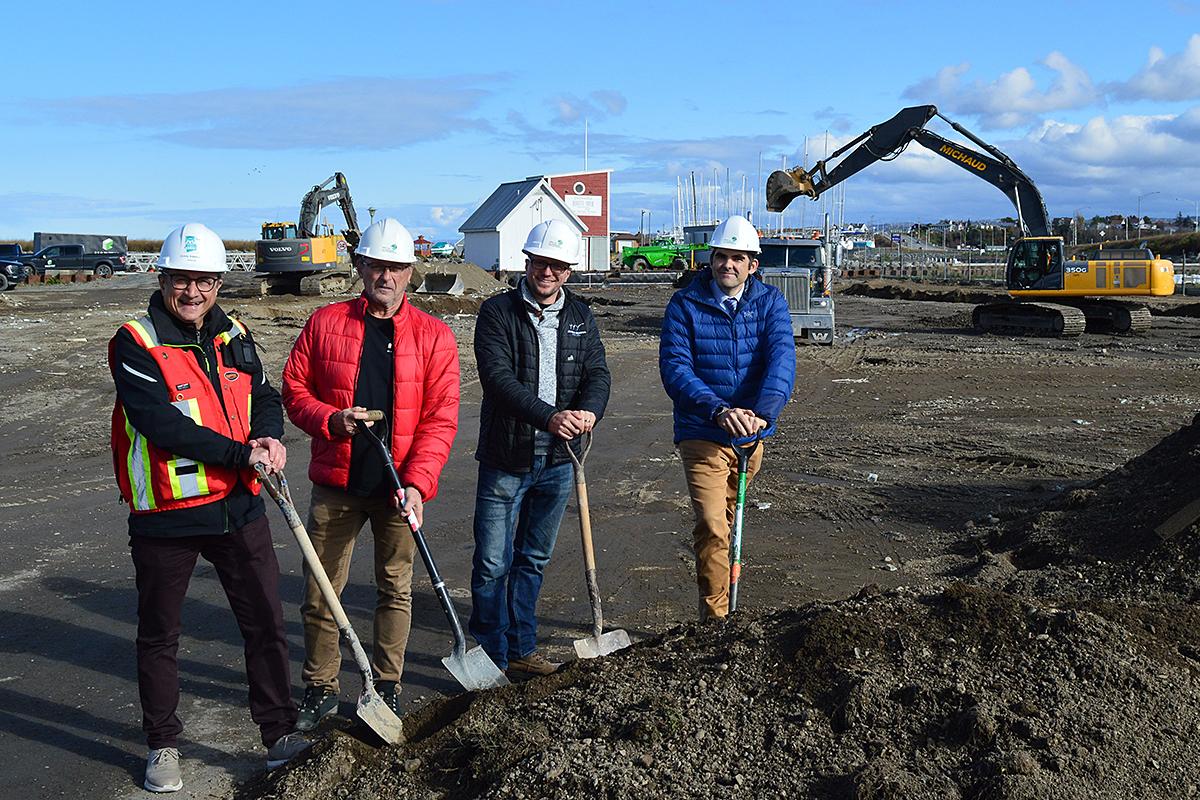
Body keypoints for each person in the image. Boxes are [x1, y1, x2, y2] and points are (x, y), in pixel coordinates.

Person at [108, 223, 308, 793]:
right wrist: (242, 454)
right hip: (166, 517)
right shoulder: (135, 341)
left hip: (238, 511)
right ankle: (163, 745)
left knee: (267, 622)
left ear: (219, 281)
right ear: (162, 277)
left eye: (204, 280)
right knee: (160, 633)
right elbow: (161, 424)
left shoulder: (234, 334)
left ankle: (278, 734)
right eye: (182, 279)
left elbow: (264, 396)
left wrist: (269, 438)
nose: (193, 291)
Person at [282, 218, 459, 728]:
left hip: (398, 489)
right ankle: (320, 687)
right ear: (361, 267)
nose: (386, 275)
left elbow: (440, 418)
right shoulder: (325, 323)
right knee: (321, 591)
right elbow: (295, 391)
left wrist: (419, 483)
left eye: (397, 267)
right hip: (336, 485)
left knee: (395, 590)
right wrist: (330, 419)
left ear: (410, 272)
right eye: (377, 264)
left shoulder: (434, 336)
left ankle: (386, 684)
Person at [470, 219, 611, 680]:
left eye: (557, 265)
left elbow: (598, 375)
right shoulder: (497, 313)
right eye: (539, 262)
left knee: (532, 559)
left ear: (569, 270)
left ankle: (522, 648)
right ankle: (490, 654)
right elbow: (498, 380)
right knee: (493, 563)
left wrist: (589, 411)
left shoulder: (580, 317)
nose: (547, 272)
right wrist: (548, 416)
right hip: (506, 457)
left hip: (559, 460)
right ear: (527, 263)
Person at [658, 214, 796, 621]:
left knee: (732, 526)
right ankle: (715, 619)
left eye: (738, 258)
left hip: (750, 433)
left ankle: (726, 608)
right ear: (710, 259)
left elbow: (782, 362)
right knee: (713, 524)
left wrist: (763, 415)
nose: (727, 265)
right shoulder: (685, 304)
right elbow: (676, 369)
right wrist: (718, 411)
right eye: (721, 256)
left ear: (753, 264)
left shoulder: (770, 302)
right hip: (702, 431)